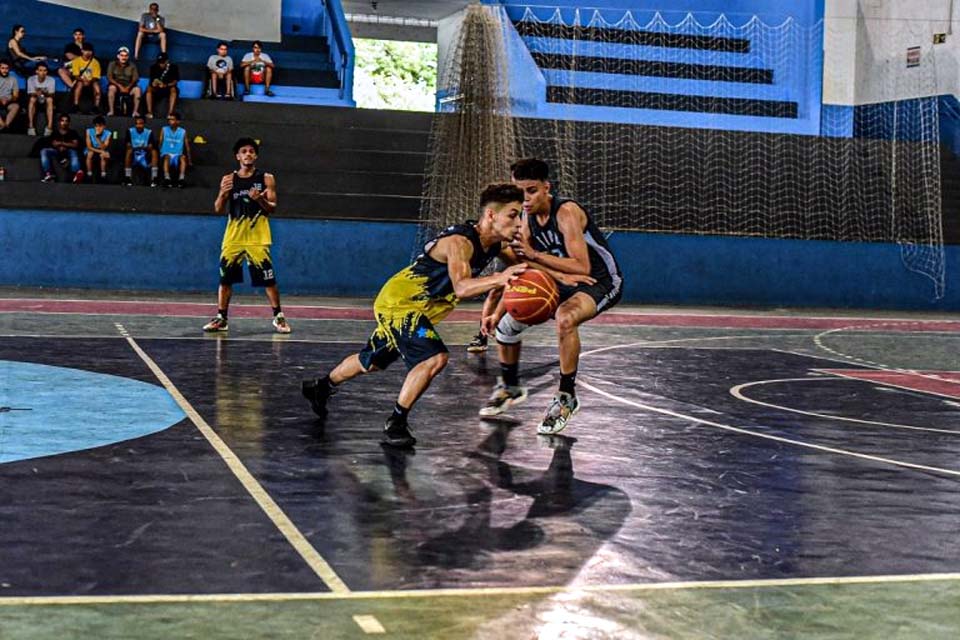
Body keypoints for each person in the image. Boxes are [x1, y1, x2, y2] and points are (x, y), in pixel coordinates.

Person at [299, 184, 531, 448]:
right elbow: (462, 287)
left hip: (418, 309)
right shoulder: (460, 242)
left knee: (372, 361)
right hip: (400, 303)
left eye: (520, 215)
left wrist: (566, 276)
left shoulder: (495, 244)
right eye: (513, 215)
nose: (519, 222)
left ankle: (320, 387)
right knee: (435, 357)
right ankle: (396, 422)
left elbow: (527, 266)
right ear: (491, 215)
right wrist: (500, 278)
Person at [479, 158, 623, 436]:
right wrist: (497, 312)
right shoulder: (525, 217)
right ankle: (509, 387)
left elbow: (581, 266)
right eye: (519, 192)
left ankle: (566, 397)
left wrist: (535, 256)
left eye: (531, 190)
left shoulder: (566, 212)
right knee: (506, 327)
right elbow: (521, 266)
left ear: (547, 187)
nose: (525, 199)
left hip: (601, 280)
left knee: (565, 317)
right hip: (562, 280)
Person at [202, 137, 291, 335]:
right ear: (237, 156)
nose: (248, 154)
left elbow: (273, 208)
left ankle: (278, 317)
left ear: (256, 155)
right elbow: (217, 208)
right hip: (233, 237)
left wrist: (260, 200)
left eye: (251, 151)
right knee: (225, 280)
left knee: (268, 280)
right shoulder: (228, 179)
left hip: (257, 238)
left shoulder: (266, 178)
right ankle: (221, 318)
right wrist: (222, 194)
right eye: (244, 151)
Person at [40, 114, 83, 183]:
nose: (64, 123)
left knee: (73, 152)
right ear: (59, 122)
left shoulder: (73, 132)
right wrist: (63, 145)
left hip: (69, 151)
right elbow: (54, 144)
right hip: (57, 151)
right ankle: (49, 175)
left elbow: (75, 145)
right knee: (44, 151)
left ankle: (76, 173)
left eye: (66, 121)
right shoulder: (55, 132)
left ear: (69, 123)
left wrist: (62, 144)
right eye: (62, 121)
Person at [122, 114, 159, 186]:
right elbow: (128, 146)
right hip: (134, 155)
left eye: (140, 123)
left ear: (144, 124)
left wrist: (139, 147)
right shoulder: (129, 131)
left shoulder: (149, 132)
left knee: (154, 152)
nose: (138, 125)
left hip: (144, 155)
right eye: (137, 123)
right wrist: (141, 147)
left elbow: (150, 147)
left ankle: (154, 178)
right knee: (128, 151)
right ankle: (127, 178)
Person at [157, 110, 190, 187]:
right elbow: (160, 143)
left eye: (172, 119)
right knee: (166, 157)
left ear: (178, 121)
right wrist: (159, 154)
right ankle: (167, 179)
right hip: (166, 153)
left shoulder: (183, 131)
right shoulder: (164, 129)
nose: (170, 121)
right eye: (169, 119)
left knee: (183, 158)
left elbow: (187, 146)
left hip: (177, 155)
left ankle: (181, 179)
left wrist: (189, 160)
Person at [106, 46, 140, 116]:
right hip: (116, 86)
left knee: (137, 90)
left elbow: (135, 78)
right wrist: (119, 86)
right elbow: (109, 77)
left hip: (128, 87)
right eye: (122, 55)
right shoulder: (112, 64)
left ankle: (135, 112)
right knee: (111, 88)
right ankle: (111, 111)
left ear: (128, 57)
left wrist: (128, 87)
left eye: (126, 56)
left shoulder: (132, 65)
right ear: (118, 56)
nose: (124, 58)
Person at [69, 42, 101, 113]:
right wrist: (83, 80)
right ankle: (76, 105)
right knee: (79, 84)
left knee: (97, 87)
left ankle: (96, 107)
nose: (88, 53)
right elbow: (76, 75)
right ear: (82, 51)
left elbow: (96, 77)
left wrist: (89, 81)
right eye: (86, 50)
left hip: (91, 81)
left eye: (89, 51)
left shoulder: (95, 62)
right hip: (81, 80)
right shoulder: (76, 61)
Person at [145, 52, 178, 119]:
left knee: (173, 90)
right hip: (157, 88)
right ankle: (149, 112)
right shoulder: (153, 67)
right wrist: (154, 83)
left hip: (168, 87)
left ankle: (170, 113)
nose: (161, 64)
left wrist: (166, 85)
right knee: (148, 89)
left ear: (167, 61)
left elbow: (175, 81)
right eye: (160, 62)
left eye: (163, 62)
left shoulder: (173, 67)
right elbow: (152, 81)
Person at [26, 61, 55, 135]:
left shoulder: (51, 80)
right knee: (32, 99)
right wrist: (37, 93)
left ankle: (49, 127)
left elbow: (52, 94)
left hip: (46, 99)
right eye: (40, 70)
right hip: (36, 99)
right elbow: (30, 93)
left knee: (50, 100)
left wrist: (43, 93)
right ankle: (31, 126)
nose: (43, 72)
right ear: (36, 71)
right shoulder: (31, 79)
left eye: (45, 70)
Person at [84, 115, 112, 182]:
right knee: (90, 153)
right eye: (96, 126)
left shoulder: (108, 133)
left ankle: (103, 175)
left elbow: (104, 147)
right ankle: (89, 174)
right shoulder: (89, 131)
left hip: (102, 149)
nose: (98, 128)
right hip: (92, 149)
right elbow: (89, 147)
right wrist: (101, 151)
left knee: (103, 156)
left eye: (100, 126)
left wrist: (97, 138)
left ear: (104, 126)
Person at [0, 59, 20, 132]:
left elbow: (16, 95)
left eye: (7, 68)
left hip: (8, 101)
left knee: (16, 106)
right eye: (2, 68)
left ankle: (6, 125)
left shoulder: (13, 79)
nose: (5, 70)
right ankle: (2, 124)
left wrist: (9, 99)